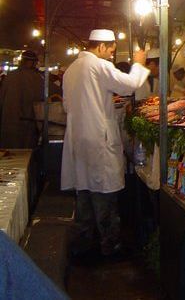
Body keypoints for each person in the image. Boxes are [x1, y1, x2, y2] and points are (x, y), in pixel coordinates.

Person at [61, 29, 149, 257]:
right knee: (104, 196)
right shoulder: (99, 66)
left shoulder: (71, 70)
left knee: (85, 193)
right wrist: (139, 64)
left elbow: (69, 104)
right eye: (110, 48)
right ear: (100, 46)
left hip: (79, 141)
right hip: (98, 141)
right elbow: (129, 84)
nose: (111, 54)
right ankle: (111, 247)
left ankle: (84, 246)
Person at [0, 50, 44, 148]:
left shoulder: (10, 76)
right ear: (31, 62)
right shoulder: (37, 78)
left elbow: (2, 100)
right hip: (28, 125)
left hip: (8, 124)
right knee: (26, 156)